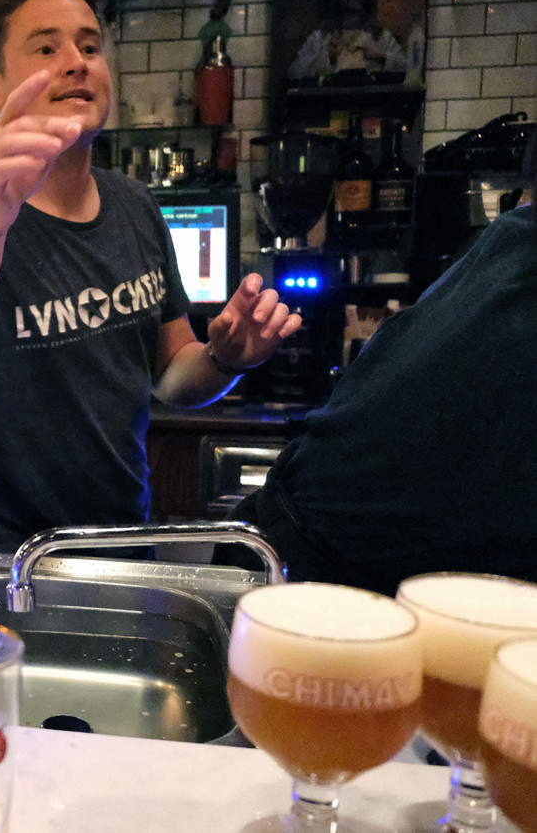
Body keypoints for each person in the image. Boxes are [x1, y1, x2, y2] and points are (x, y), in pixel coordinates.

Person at [0, 0, 302, 552]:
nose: (77, 62)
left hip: (119, 549)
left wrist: (226, 357)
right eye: (46, 48)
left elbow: (172, 374)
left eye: (89, 45)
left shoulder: (135, 207)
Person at [222, 135, 537, 594]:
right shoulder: (514, 261)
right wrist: (224, 360)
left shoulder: (502, 263)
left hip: (282, 558)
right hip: (300, 572)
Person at [289, 0, 406, 81]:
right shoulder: (321, 38)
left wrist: (380, 56)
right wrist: (327, 56)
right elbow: (294, 73)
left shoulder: (381, 37)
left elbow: (408, 69)